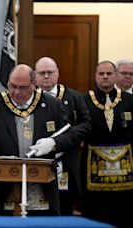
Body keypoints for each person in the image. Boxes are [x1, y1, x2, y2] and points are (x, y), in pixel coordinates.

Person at [0, 64, 74, 216]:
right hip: (4, 184)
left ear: (34, 84)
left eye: (22, 88)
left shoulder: (52, 104)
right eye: (12, 86)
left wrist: (53, 143)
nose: (16, 92)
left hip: (42, 184)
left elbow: (68, 135)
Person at [34, 57, 91, 215]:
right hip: (36, 162)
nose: (46, 76)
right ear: (35, 75)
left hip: (66, 163)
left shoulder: (74, 97)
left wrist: (57, 141)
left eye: (50, 72)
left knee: (64, 210)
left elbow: (86, 125)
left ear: (57, 73)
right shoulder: (28, 97)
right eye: (42, 73)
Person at [81, 61, 133, 227]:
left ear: (116, 76)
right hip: (93, 167)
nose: (105, 77)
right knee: (95, 213)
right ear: (96, 76)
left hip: (125, 170)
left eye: (109, 73)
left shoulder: (129, 100)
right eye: (101, 74)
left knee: (124, 211)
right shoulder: (83, 100)